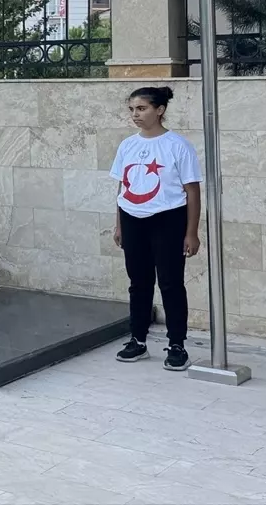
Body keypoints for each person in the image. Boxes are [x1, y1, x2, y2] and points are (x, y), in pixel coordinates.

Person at [110, 86, 202, 372]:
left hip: (168, 220)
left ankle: (177, 344)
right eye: (132, 109)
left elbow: (192, 190)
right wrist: (119, 224)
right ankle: (137, 339)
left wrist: (191, 232)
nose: (135, 114)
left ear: (159, 110)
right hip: (132, 218)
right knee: (139, 283)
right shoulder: (127, 145)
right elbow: (122, 186)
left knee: (171, 283)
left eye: (142, 108)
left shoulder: (177, 145)